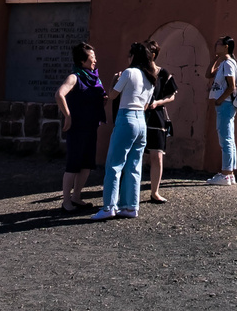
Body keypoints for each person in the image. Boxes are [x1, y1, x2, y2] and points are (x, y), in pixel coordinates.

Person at [92, 42, 155, 221]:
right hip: (141, 121)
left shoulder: (129, 72)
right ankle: (130, 206)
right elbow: (146, 104)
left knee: (114, 164)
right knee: (134, 166)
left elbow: (112, 95)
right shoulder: (150, 77)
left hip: (126, 118)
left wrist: (113, 80)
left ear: (134, 56)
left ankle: (109, 206)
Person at [55, 43, 105, 212]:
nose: (95, 60)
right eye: (92, 57)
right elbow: (59, 94)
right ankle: (66, 201)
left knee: (86, 164)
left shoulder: (95, 77)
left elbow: (100, 98)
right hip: (77, 128)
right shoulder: (74, 77)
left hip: (91, 126)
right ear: (82, 60)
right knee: (73, 164)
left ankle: (76, 197)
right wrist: (68, 115)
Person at [142, 40, 178, 204]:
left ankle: (154, 192)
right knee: (136, 155)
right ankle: (129, 191)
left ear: (153, 55)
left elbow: (172, 95)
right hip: (139, 116)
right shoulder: (138, 72)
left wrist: (158, 103)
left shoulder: (163, 73)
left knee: (157, 156)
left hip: (156, 117)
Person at [205, 36, 237, 186]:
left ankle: (226, 173)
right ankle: (229, 173)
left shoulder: (229, 64)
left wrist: (219, 100)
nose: (216, 45)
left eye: (219, 43)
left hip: (225, 104)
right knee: (228, 137)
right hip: (225, 104)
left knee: (225, 138)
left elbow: (232, 86)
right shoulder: (224, 63)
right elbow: (208, 74)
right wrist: (215, 59)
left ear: (226, 46)